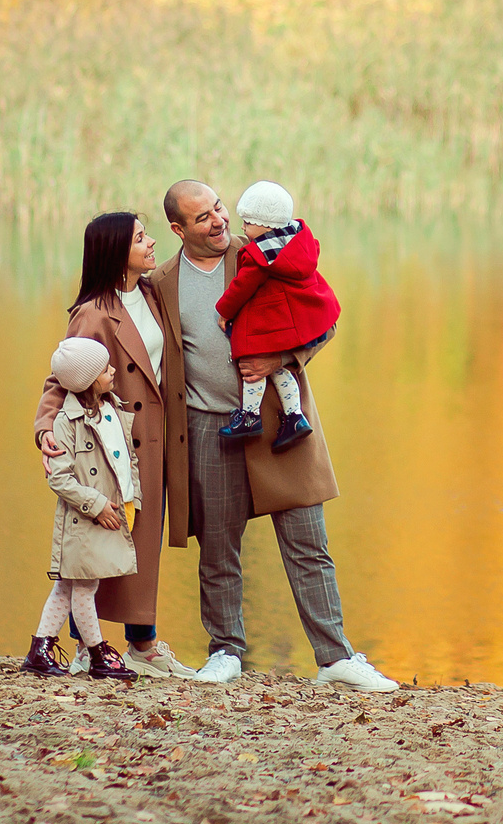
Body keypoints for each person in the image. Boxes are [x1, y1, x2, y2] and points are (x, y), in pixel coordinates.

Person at [153, 178, 396, 691]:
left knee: (309, 540)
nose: (219, 221)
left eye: (220, 208)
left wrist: (283, 357)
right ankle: (225, 652)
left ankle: (335, 657)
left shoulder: (264, 252)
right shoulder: (161, 282)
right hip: (207, 427)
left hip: (281, 422)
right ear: (178, 229)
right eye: (203, 218)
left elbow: (323, 317)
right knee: (217, 549)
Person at [28, 211, 197, 679]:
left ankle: (140, 643)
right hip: (109, 445)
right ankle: (91, 645)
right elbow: (61, 375)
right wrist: (46, 430)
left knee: (142, 545)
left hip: (155, 441)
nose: (151, 242)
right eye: (140, 237)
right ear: (116, 251)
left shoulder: (149, 294)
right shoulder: (94, 311)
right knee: (103, 541)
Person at [33, 337, 141, 681]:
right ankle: (97, 654)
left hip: (112, 508)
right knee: (82, 587)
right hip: (85, 518)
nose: (112, 372)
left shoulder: (111, 408)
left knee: (67, 586)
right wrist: (96, 505)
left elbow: (126, 458)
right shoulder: (67, 422)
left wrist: (132, 495)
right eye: (105, 369)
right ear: (88, 379)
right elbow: (59, 478)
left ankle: (41, 648)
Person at [214, 180, 341, 453]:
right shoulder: (297, 241)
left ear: (264, 225)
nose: (243, 228)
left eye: (247, 222)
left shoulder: (260, 253)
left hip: (272, 327)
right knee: (280, 371)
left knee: (251, 365)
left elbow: (241, 286)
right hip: (293, 324)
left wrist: (224, 311)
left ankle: (250, 415)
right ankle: (295, 416)